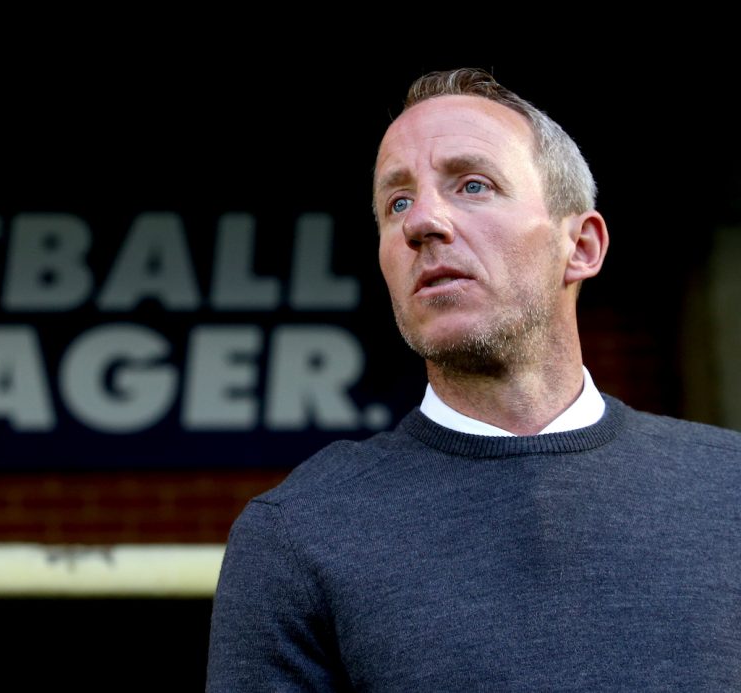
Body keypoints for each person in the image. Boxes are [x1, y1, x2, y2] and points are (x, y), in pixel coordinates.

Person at [206, 69, 741, 691]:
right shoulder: (297, 533)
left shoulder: (729, 488)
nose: (421, 223)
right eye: (397, 203)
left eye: (473, 185)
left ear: (581, 247)